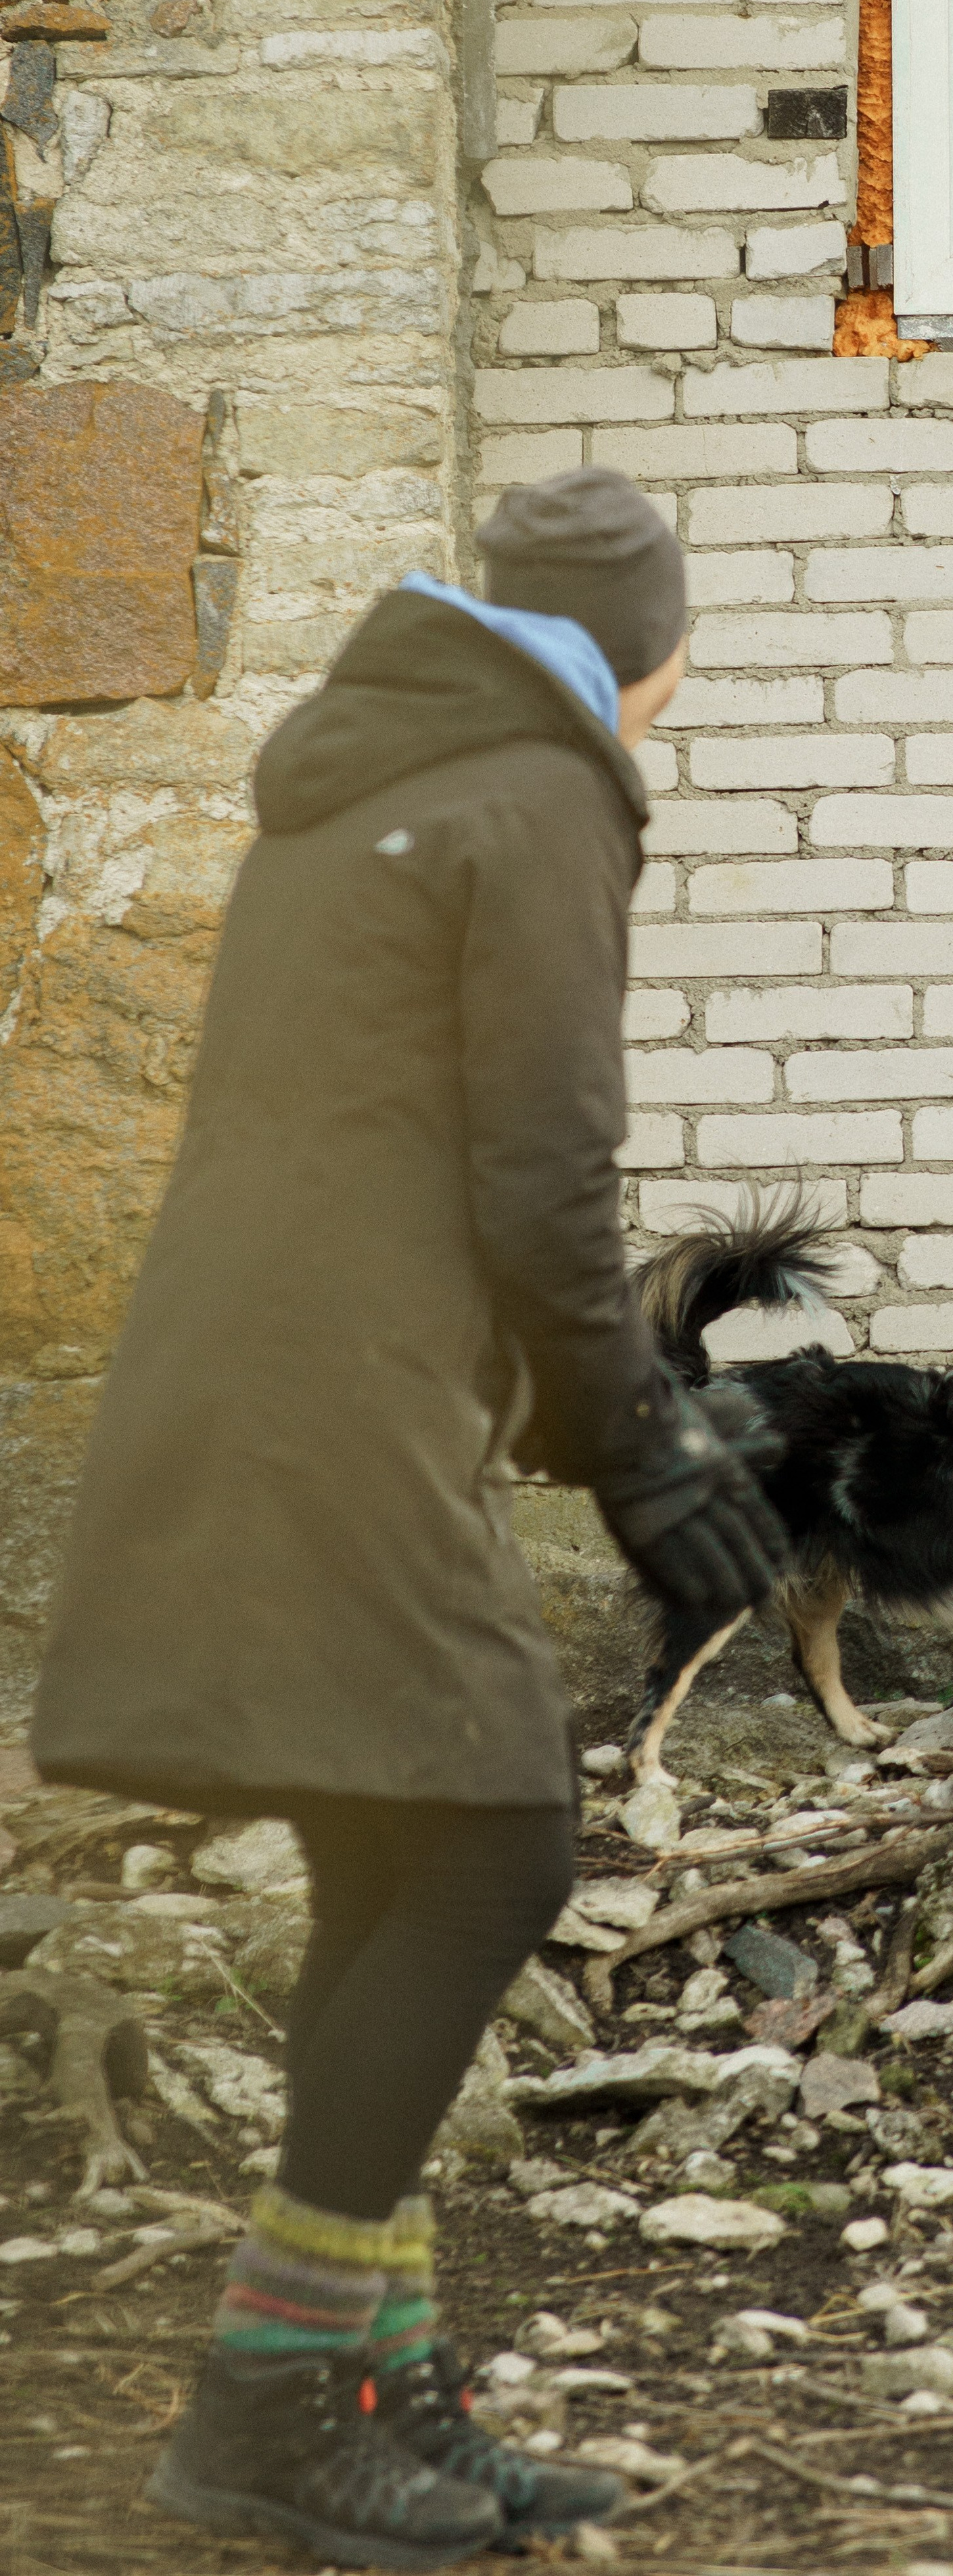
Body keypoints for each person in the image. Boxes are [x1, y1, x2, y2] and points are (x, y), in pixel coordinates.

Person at [29, 470, 787, 2571]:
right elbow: (543, 1175)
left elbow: (385, 1136)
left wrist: (563, 1413)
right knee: (494, 1846)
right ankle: (276, 2397)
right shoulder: (543, 800)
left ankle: (373, 2382)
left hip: (266, 1374)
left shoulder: (374, 775)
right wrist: (640, 1445)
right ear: (646, 650)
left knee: (397, 1841)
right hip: (336, 1402)